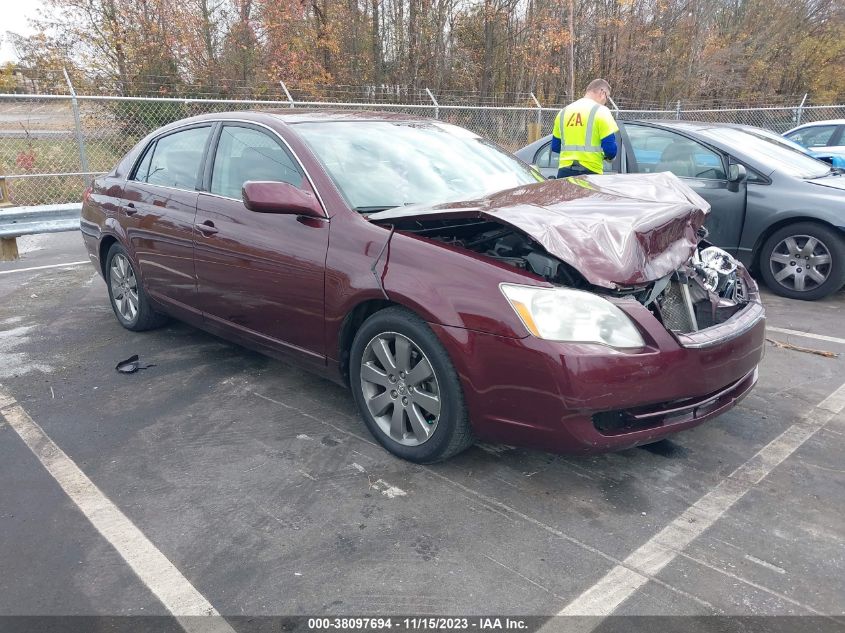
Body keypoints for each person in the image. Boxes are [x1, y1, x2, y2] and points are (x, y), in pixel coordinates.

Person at [551, 79, 619, 178]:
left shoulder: (563, 112)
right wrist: (608, 157)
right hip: (591, 173)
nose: (606, 101)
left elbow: (555, 146)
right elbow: (610, 149)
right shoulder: (601, 111)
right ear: (602, 93)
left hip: (564, 173)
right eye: (607, 97)